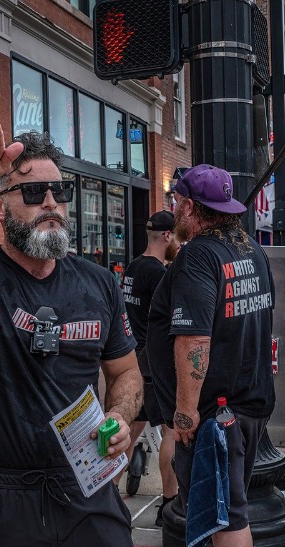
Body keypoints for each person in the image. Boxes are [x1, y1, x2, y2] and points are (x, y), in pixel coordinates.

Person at [0, 112, 142, 545]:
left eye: (58, 191)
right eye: (31, 191)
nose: (50, 202)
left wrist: (120, 415)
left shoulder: (98, 282)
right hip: (4, 497)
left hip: (88, 488)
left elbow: (125, 372)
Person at [147, 164, 276, 546]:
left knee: (226, 520)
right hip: (247, 407)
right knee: (229, 510)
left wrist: (185, 411)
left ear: (189, 206)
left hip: (215, 418)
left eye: (176, 201)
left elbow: (193, 339)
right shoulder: (250, 249)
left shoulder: (198, 257)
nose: (174, 208)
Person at [119, 210, 180, 525]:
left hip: (133, 358)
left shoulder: (133, 268)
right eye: (177, 238)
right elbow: (169, 320)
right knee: (171, 429)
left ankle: (110, 500)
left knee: (128, 432)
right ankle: (169, 506)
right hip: (154, 361)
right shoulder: (158, 273)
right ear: (168, 236)